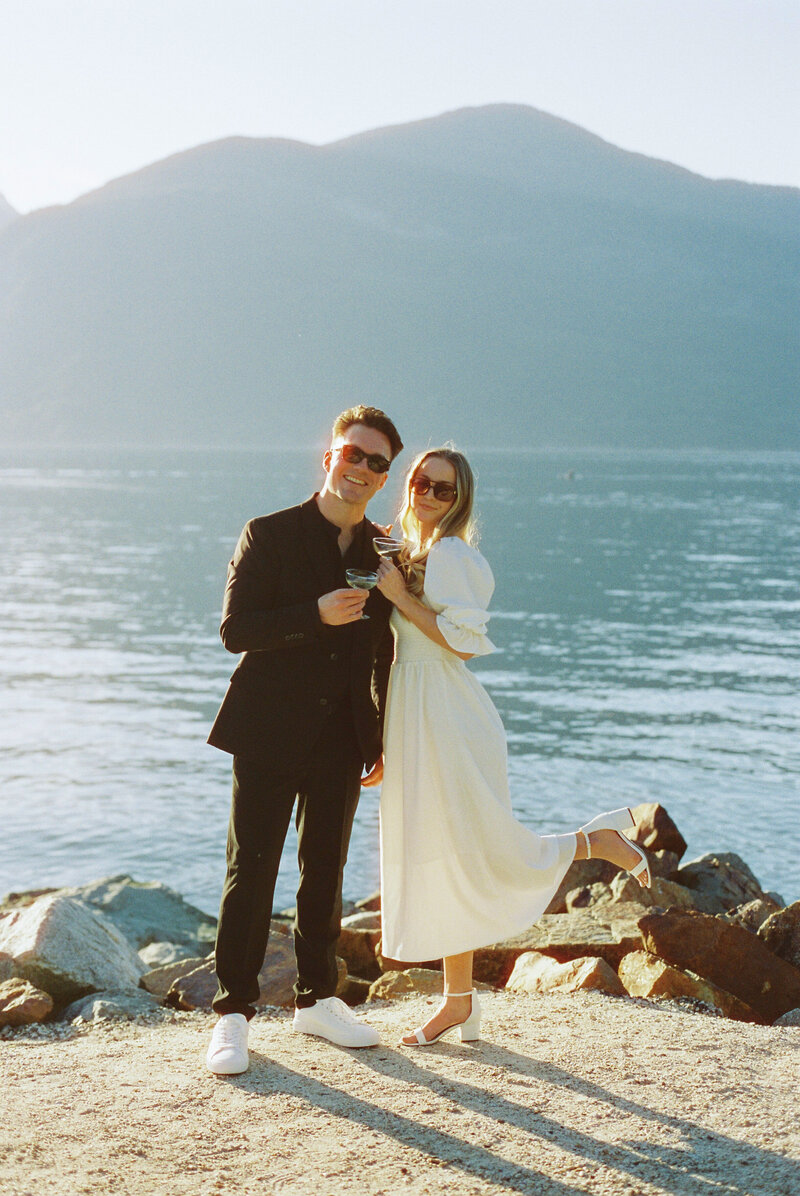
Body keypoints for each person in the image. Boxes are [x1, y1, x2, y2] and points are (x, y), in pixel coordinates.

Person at [372, 447, 650, 1047]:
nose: (427, 494)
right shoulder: (406, 549)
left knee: (474, 845)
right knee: (445, 850)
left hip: (445, 708)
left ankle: (592, 841)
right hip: (414, 710)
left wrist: (398, 597)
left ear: (459, 500)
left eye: (443, 490)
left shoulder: (450, 554)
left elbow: (461, 643)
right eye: (421, 482)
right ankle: (459, 1002)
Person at [205, 405, 403, 1074]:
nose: (363, 469)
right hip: (267, 730)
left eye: (378, 463)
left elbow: (381, 655)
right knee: (251, 867)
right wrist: (312, 616)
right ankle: (232, 1013)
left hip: (342, 737)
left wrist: (375, 738)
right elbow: (236, 630)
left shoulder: (382, 551)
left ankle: (317, 1000)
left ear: (383, 477)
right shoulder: (268, 533)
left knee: (325, 869)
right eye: (355, 454)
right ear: (330, 456)